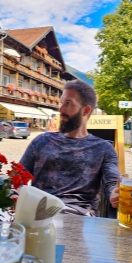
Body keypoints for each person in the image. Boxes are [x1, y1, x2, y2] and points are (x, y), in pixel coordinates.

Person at [19, 80, 121, 217]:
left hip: (78, 218)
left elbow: (112, 184)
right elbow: (18, 177)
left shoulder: (103, 149)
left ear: (85, 110)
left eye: (68, 103)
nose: (60, 110)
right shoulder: (41, 141)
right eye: (61, 103)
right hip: (37, 214)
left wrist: (115, 194)